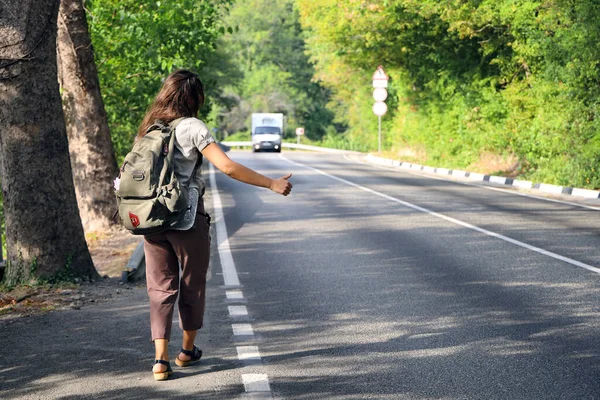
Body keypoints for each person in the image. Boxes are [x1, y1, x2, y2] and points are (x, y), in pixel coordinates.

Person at [137, 69, 293, 381]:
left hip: (151, 218)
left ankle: (159, 360)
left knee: (159, 287)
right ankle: (186, 352)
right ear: (194, 98)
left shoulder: (149, 128)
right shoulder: (193, 127)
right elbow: (228, 166)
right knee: (192, 284)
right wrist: (271, 184)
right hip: (187, 218)